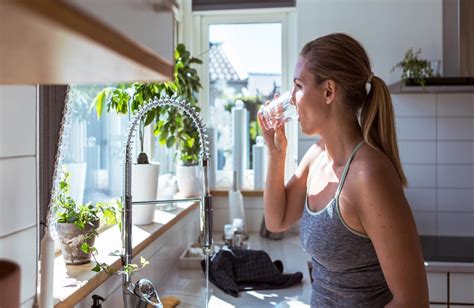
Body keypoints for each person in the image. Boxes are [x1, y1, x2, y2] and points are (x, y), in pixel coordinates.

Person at [258, 33, 429, 307]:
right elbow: (276, 220)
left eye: (298, 86)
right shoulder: (316, 157)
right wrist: (276, 153)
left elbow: (413, 300)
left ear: (329, 91)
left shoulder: (368, 174)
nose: (291, 99)